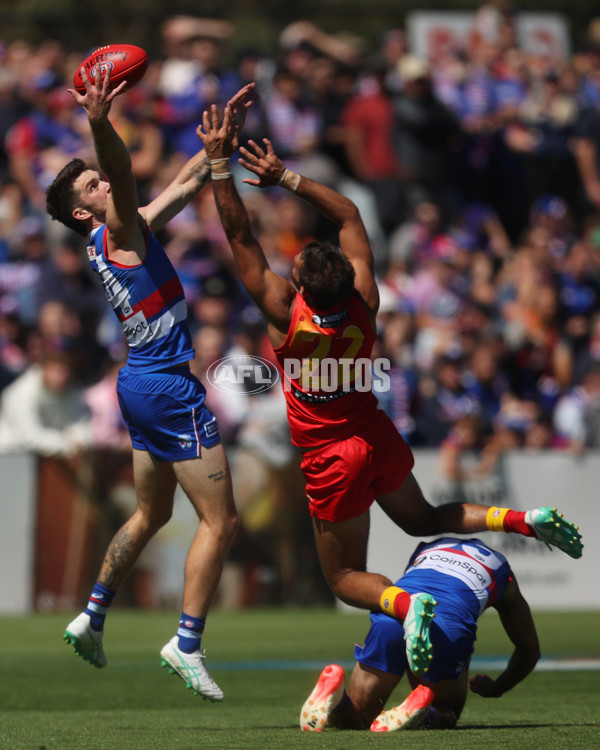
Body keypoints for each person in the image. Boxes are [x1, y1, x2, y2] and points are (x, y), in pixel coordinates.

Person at [198, 104, 582, 675]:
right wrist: (287, 178)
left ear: (299, 284)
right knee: (423, 518)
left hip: (330, 455)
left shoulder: (284, 314)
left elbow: (238, 234)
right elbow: (351, 213)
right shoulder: (366, 303)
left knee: (344, 578)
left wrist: (219, 166)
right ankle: (520, 520)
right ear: (347, 280)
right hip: (376, 434)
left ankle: (408, 603)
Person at [45, 65, 256, 701]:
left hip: (136, 385)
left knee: (150, 511)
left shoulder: (121, 232)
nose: (105, 181)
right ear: (85, 209)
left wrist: (219, 142)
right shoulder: (119, 230)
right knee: (220, 523)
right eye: (94, 183)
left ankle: (92, 614)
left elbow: (187, 182)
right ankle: (186, 642)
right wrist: (100, 121)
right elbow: (126, 171)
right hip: (167, 386)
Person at [299, 536, 540, 732]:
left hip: (397, 611)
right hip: (447, 624)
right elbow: (529, 651)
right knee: (446, 710)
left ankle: (337, 696)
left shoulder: (425, 549)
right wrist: (497, 688)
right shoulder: (501, 568)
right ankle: (426, 712)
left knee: (359, 714)